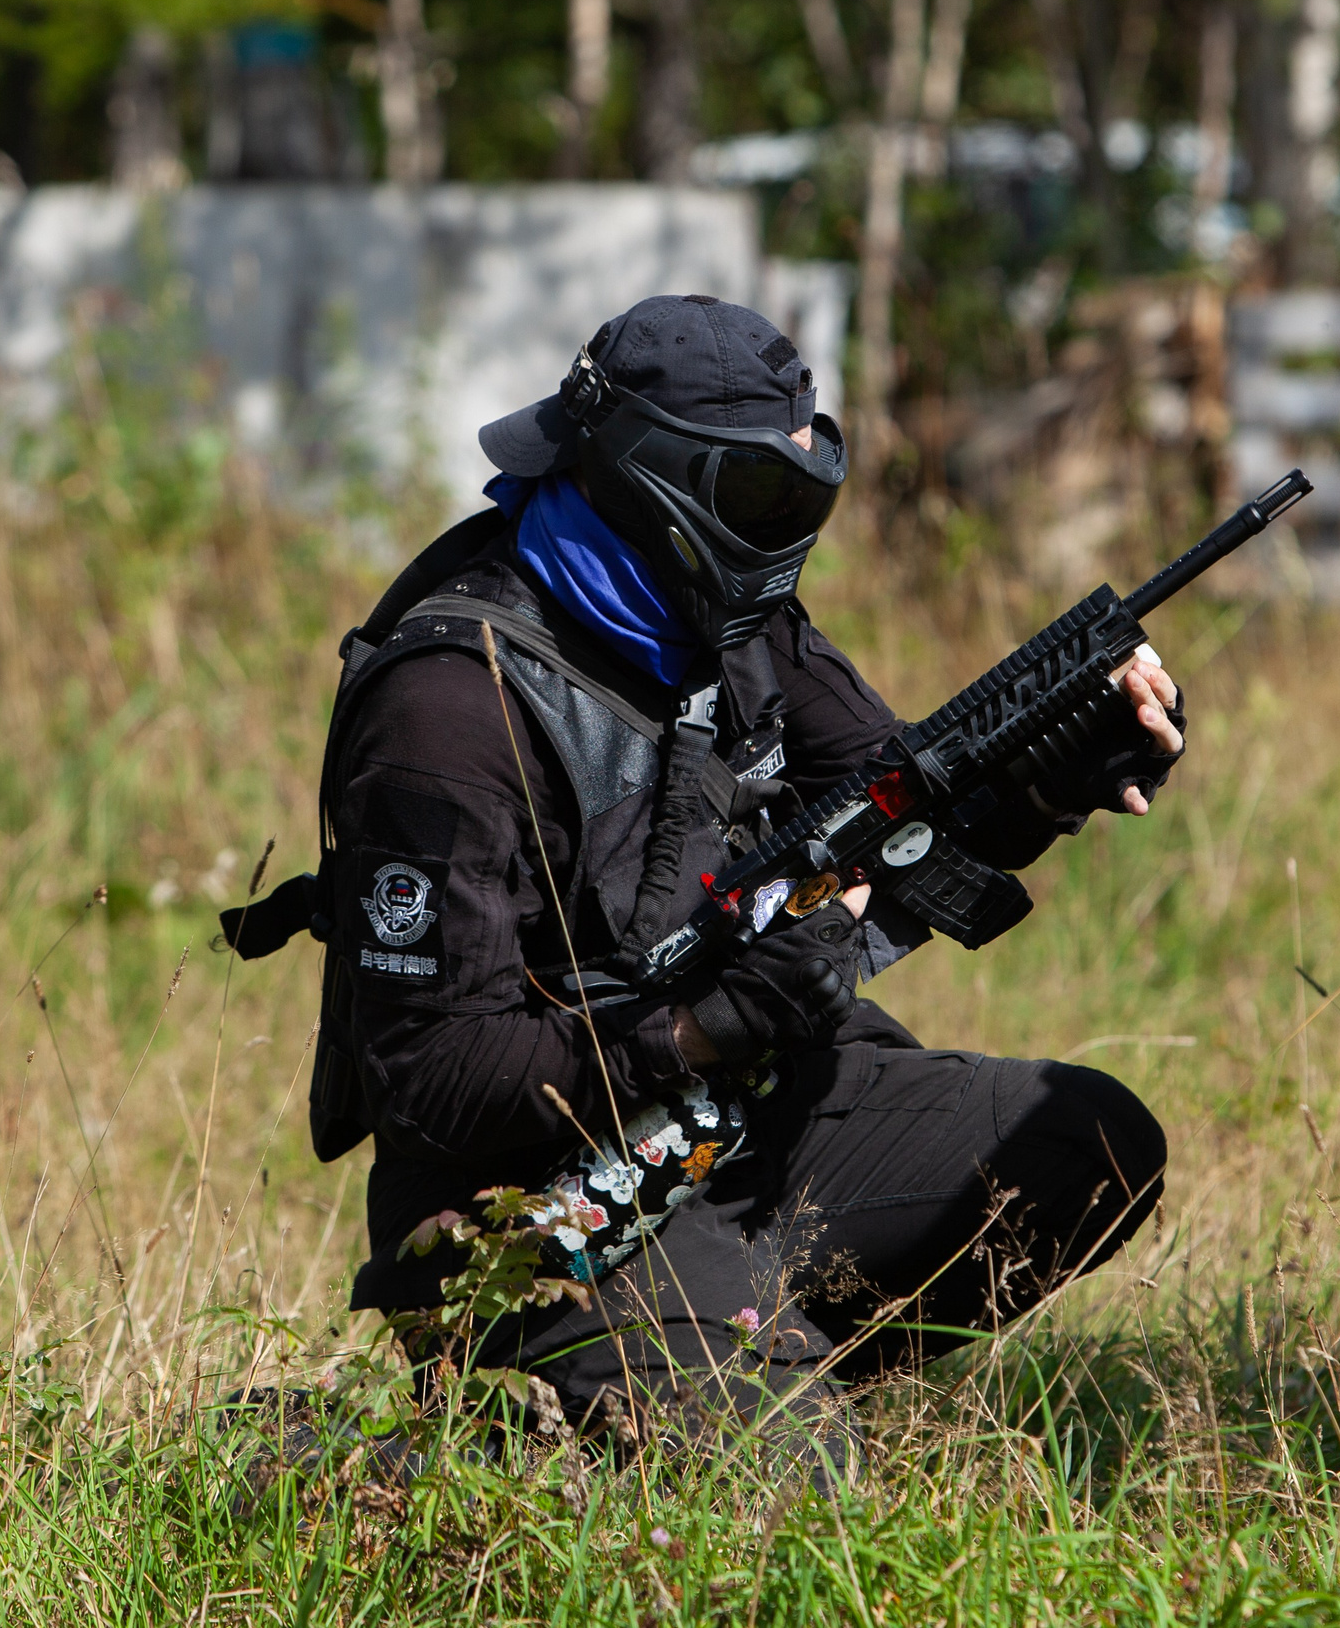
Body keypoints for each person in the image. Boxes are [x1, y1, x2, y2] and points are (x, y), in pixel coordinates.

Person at [242, 295, 1182, 1477]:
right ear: (654, 477)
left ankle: (722, 1372)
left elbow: (897, 809)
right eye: (761, 501)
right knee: (790, 1495)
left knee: (1088, 1144)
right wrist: (702, 1026)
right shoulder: (450, 705)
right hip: (529, 1204)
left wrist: (1059, 769)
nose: (786, 538)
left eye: (804, 499)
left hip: (746, 1111)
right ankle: (395, 1452)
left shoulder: (729, 620)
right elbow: (432, 1081)